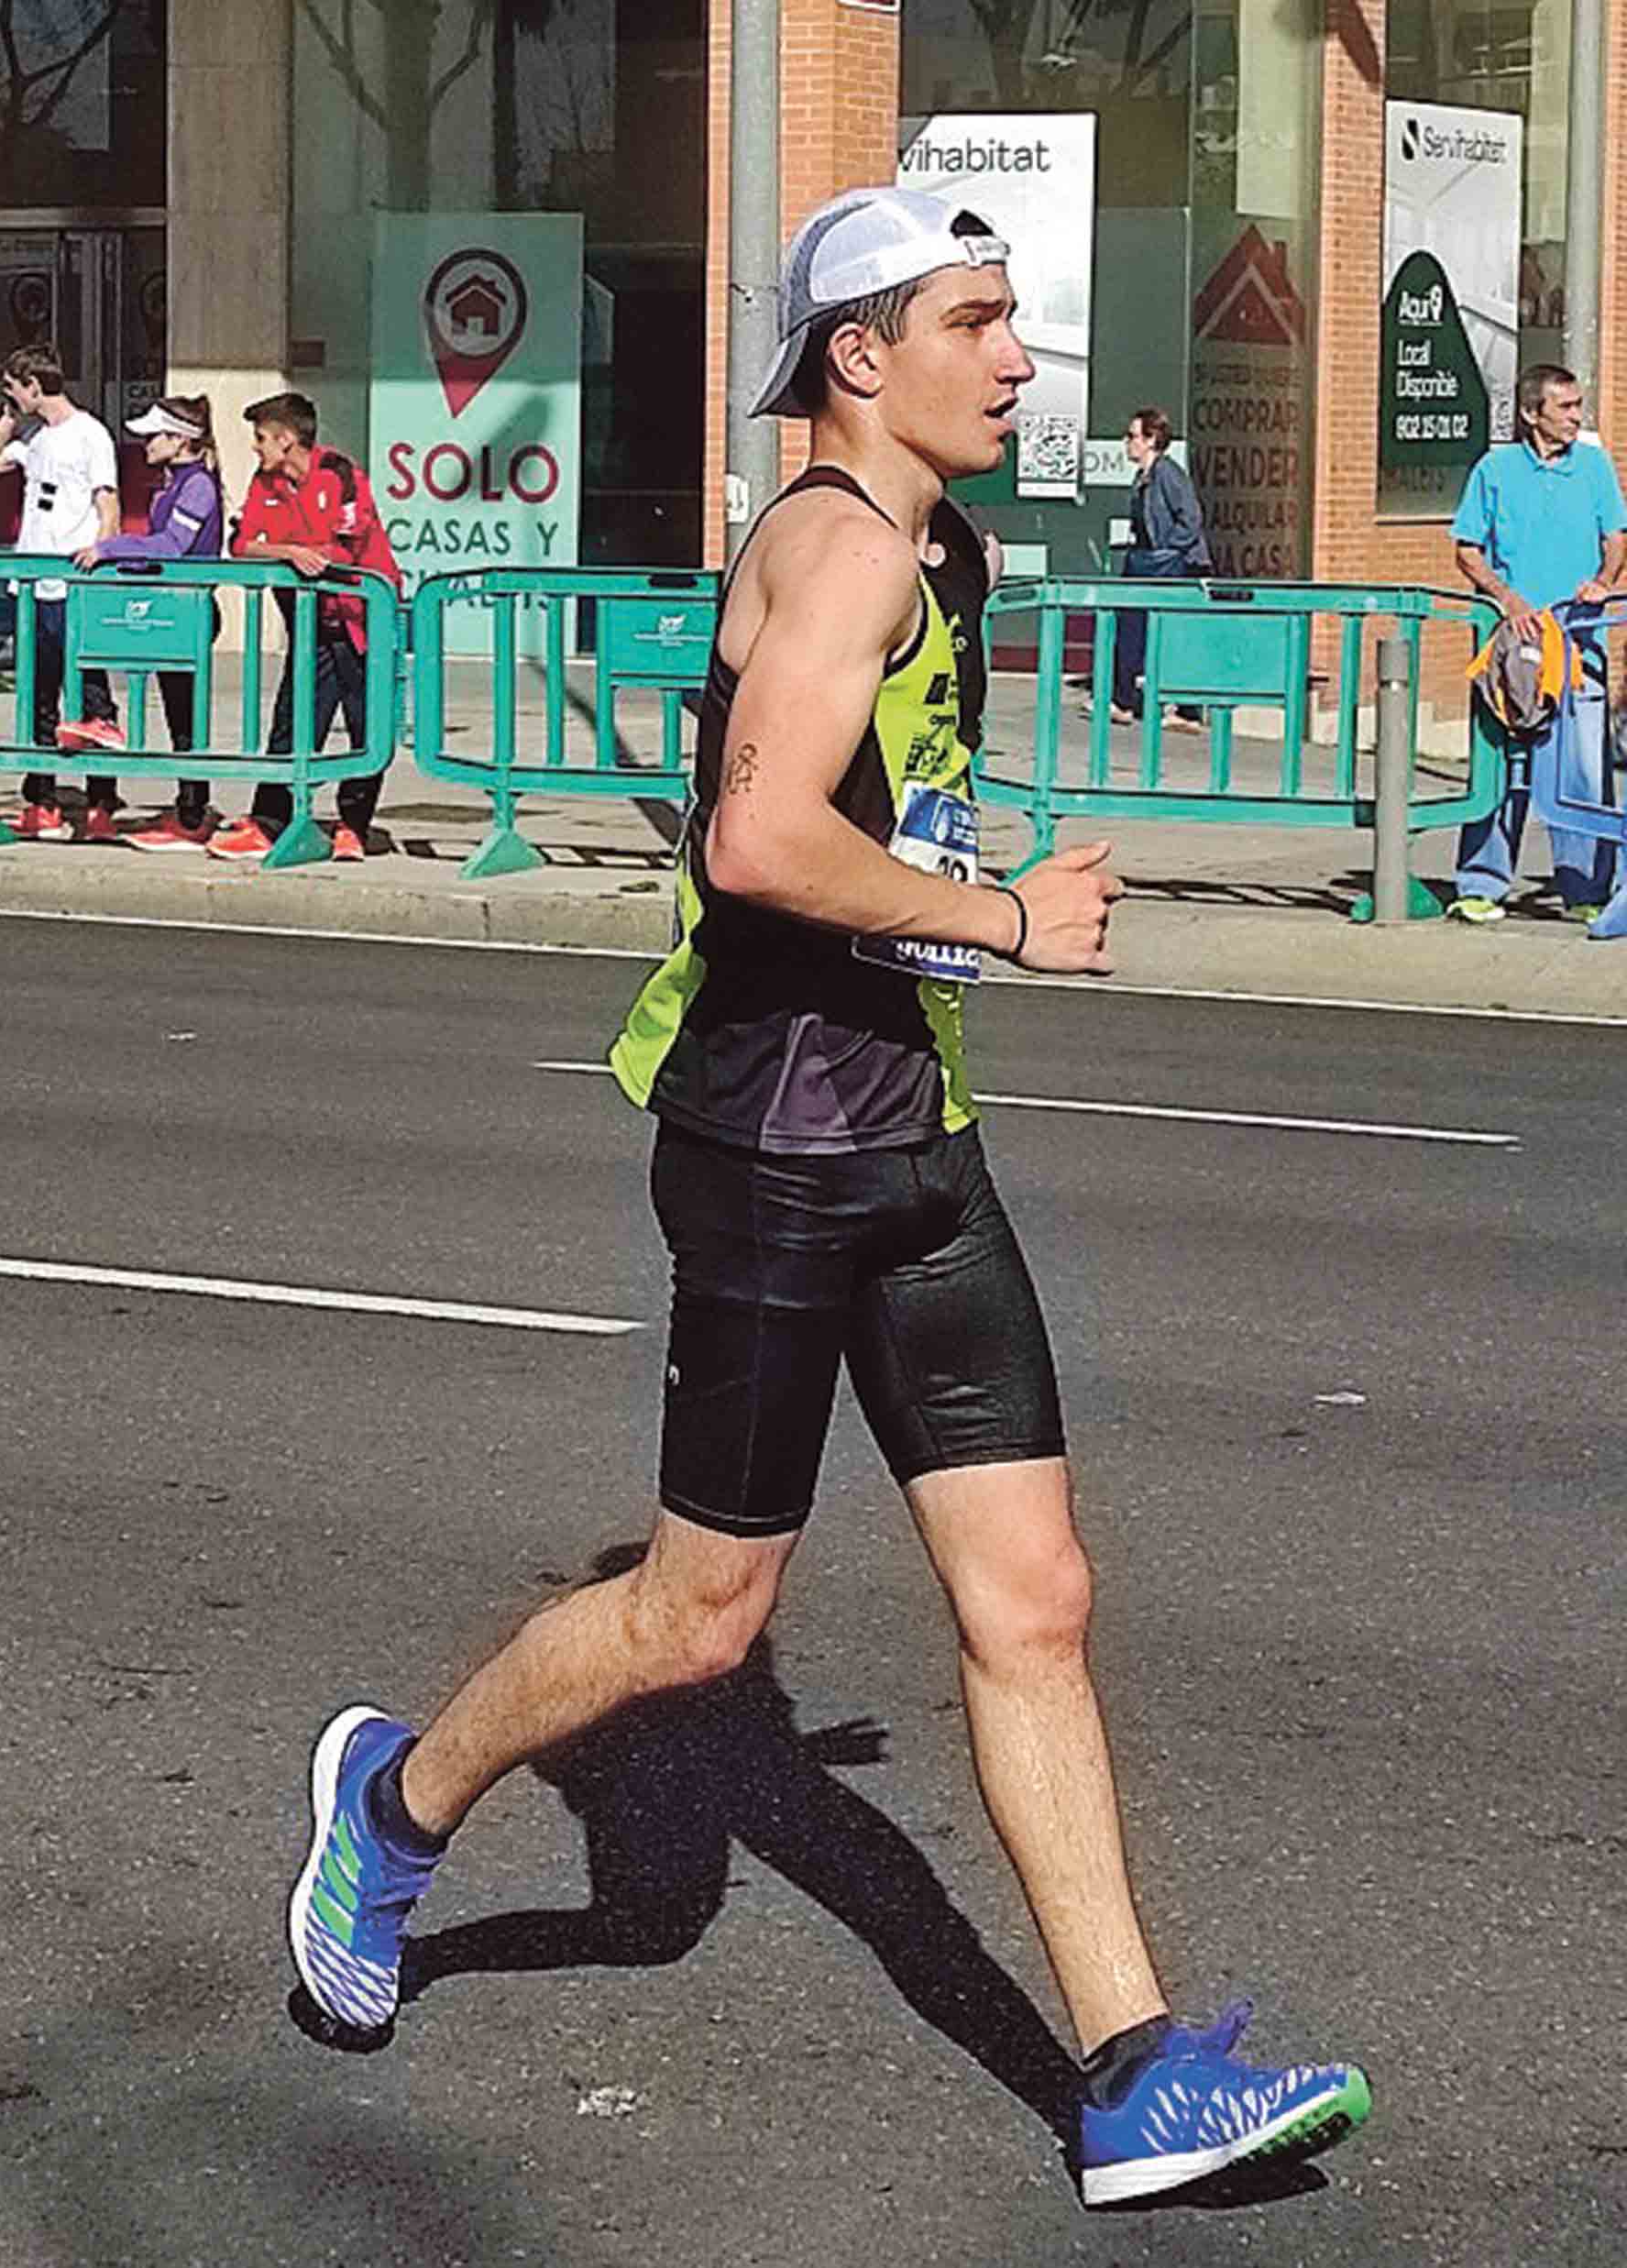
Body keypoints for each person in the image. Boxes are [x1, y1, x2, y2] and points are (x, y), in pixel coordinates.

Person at [285, 185, 1371, 2209]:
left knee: (1035, 1598)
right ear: (863, 354)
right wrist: (1003, 916)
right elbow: (761, 836)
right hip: (775, 1150)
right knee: (700, 1622)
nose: (1020, 359)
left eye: (1014, 318)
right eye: (978, 321)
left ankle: (1133, 2070)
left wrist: (955, 921)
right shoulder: (844, 547)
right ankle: (395, 1803)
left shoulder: (938, 541)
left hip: (913, 1135)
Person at [1448, 363, 1625, 924]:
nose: (1576, 417)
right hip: (1513, 650)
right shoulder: (1494, 469)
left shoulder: (1594, 466)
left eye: (1578, 406)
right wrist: (1507, 598)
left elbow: (1616, 539)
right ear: (1531, 413)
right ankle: (1480, 885)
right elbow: (1467, 549)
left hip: (1578, 646)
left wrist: (1602, 581)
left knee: (1582, 774)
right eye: (1565, 407)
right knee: (1500, 769)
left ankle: (1586, 890)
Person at [209, 391, 401, 863]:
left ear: (286, 439)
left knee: (366, 726)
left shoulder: (341, 474)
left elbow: (346, 549)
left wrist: (305, 552)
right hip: (310, 620)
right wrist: (291, 552)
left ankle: (354, 826)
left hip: (362, 621)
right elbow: (242, 544)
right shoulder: (265, 481)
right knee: (292, 720)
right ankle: (269, 822)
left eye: (261, 438)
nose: (255, 447)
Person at [0, 342, 127, 842]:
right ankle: (42, 798)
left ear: (34, 386)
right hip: (32, 583)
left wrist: (102, 554)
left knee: (90, 694)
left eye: (13, 389)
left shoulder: (90, 434)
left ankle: (102, 800)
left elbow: (108, 505)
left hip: (72, 583)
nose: (11, 397)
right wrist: (6, 423)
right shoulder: (34, 437)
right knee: (40, 694)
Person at [73, 395, 226, 851]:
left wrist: (109, 549)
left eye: (153, 436)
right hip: (172, 611)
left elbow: (172, 546)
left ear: (179, 440)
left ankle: (193, 813)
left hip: (190, 613)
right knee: (179, 712)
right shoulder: (174, 483)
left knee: (185, 716)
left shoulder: (197, 486)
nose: (144, 444)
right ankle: (188, 805)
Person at [1107, 407, 1210, 731]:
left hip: (1176, 566)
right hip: (1153, 564)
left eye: (1132, 436)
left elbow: (1191, 519)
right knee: (1132, 625)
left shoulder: (1167, 473)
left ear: (1151, 439)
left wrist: (1166, 550)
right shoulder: (1144, 477)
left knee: (1175, 633)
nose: (1127, 442)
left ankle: (1183, 709)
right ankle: (1125, 698)